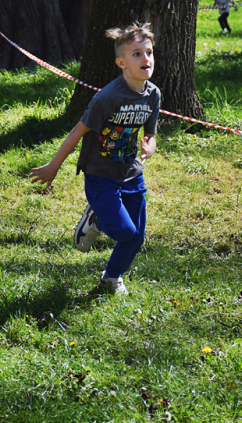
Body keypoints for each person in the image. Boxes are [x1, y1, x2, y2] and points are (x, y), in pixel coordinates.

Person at [29, 23, 161, 295]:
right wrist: (53, 167)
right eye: (136, 54)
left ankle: (111, 278)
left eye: (148, 52)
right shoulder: (108, 97)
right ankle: (97, 219)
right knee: (125, 232)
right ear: (121, 63)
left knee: (137, 238)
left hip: (132, 173)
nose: (145, 58)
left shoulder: (153, 94)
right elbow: (78, 131)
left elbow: (151, 134)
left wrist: (150, 147)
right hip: (100, 175)